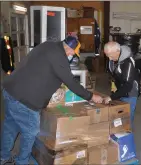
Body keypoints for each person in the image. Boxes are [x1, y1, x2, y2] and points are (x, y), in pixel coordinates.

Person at [0, 36, 103, 165]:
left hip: (10, 90)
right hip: (25, 100)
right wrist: (91, 96)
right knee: (31, 131)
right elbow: (71, 82)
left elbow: (44, 68)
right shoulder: (60, 58)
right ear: (69, 49)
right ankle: (22, 161)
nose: (72, 55)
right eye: (73, 52)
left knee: (11, 126)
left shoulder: (48, 45)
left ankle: (3, 157)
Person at [103, 41, 140, 128]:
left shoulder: (128, 62)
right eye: (108, 56)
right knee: (119, 119)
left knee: (127, 121)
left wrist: (112, 97)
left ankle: (127, 139)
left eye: (111, 55)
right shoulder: (113, 59)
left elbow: (128, 86)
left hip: (129, 94)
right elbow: (114, 76)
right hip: (120, 92)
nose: (110, 59)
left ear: (117, 51)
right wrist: (114, 90)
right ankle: (118, 137)